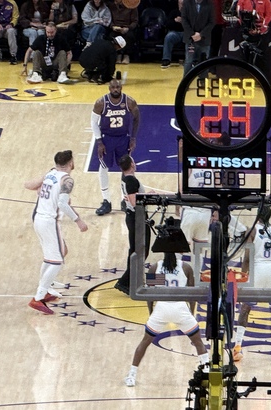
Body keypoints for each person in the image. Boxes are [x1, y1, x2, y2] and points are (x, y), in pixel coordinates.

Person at [123, 252, 209, 387]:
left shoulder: (155, 267)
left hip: (162, 308)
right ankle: (207, 371)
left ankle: (131, 375)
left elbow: (150, 295)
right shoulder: (186, 267)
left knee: (145, 342)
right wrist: (191, 313)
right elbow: (191, 295)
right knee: (198, 342)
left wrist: (151, 312)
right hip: (180, 308)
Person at [24, 150, 88, 315]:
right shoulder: (67, 180)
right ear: (71, 163)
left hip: (38, 218)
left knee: (52, 256)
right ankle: (38, 297)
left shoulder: (50, 174)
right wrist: (78, 220)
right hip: (49, 221)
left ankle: (44, 290)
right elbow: (62, 204)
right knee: (57, 261)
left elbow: (35, 188)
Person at [233, 205, 271, 362]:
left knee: (245, 308)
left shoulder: (252, 231)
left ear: (258, 215)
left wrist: (242, 278)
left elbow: (247, 258)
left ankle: (238, 346)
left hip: (258, 270)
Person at [92, 79, 140, 216]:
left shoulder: (129, 101)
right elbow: (94, 123)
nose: (115, 89)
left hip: (123, 138)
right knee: (103, 167)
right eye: (113, 87)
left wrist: (133, 138)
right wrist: (99, 141)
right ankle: (106, 200)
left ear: (121, 87)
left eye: (117, 87)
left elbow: (137, 118)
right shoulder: (101, 102)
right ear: (109, 88)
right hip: (107, 138)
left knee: (126, 168)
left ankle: (124, 200)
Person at [114, 155, 151, 295]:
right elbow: (135, 202)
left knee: (135, 250)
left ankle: (132, 281)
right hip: (137, 218)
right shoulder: (130, 180)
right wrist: (149, 197)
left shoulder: (125, 178)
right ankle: (125, 282)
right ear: (132, 164)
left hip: (132, 217)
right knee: (141, 251)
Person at [237, 0, 271, 72]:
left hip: (261, 33)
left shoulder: (266, 1)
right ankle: (245, 73)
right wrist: (248, 28)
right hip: (246, 33)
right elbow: (239, 16)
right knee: (245, 55)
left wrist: (260, 29)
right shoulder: (242, 1)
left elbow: (269, 15)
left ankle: (261, 74)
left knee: (261, 56)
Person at [181, 0, 215, 75]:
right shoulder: (187, 3)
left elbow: (212, 22)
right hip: (190, 39)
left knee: (204, 61)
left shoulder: (209, 4)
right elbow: (184, 20)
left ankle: (203, 80)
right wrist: (192, 34)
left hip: (204, 39)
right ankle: (186, 79)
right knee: (188, 61)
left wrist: (201, 34)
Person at [108, 0, 139, 65]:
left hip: (127, 27)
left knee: (129, 36)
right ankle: (118, 55)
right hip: (116, 27)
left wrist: (128, 28)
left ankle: (126, 55)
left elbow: (135, 21)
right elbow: (108, 19)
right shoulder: (111, 6)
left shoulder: (132, 6)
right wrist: (113, 26)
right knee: (111, 35)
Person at [160, 0, 184, 68]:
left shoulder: (190, 13)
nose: (182, 5)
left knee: (192, 37)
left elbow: (193, 25)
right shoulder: (173, 12)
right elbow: (168, 24)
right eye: (180, 4)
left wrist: (183, 22)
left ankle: (193, 60)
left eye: (183, 4)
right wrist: (175, 21)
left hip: (186, 32)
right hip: (175, 32)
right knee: (169, 37)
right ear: (178, 4)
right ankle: (166, 59)